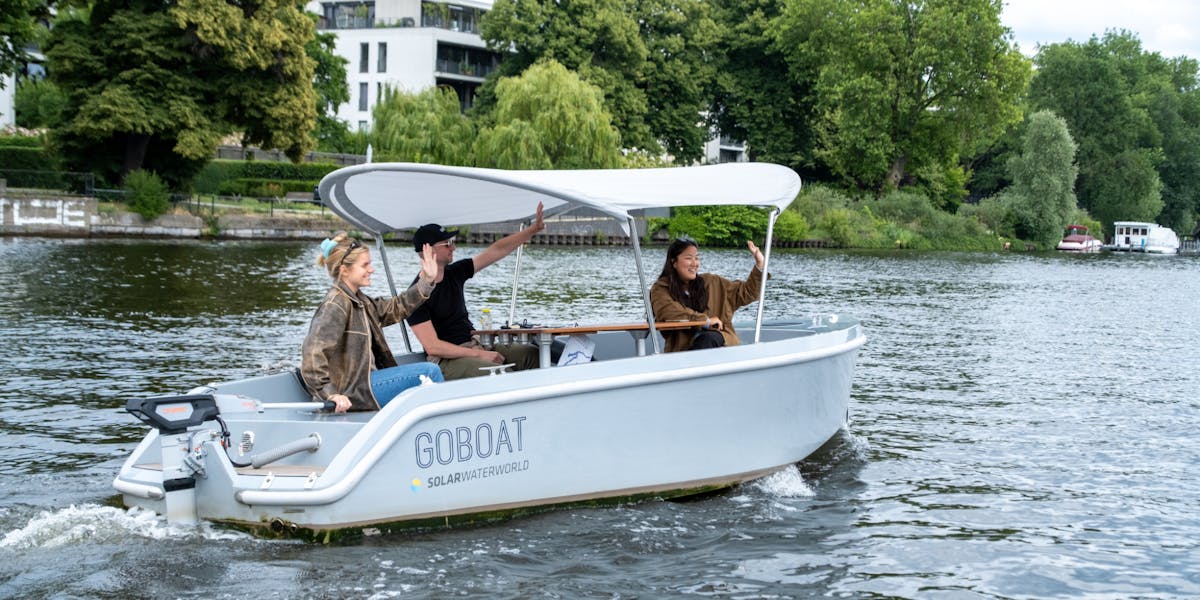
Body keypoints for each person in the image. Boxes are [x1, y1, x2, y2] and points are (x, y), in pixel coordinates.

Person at [301, 232, 443, 413]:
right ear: (345, 270)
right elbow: (313, 354)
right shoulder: (335, 304)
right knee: (430, 372)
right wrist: (331, 395)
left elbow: (396, 307)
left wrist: (427, 281)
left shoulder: (360, 301)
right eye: (365, 265)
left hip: (365, 383)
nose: (371, 269)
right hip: (354, 391)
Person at [405, 203, 545, 379]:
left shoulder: (455, 273)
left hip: (475, 344)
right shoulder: (414, 295)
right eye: (447, 244)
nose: (453, 248)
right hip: (446, 362)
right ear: (427, 250)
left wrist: (533, 229)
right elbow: (433, 346)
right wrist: (480, 354)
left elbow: (496, 250)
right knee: (500, 373)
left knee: (534, 355)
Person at [650, 236, 766, 352]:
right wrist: (705, 321)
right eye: (689, 258)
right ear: (674, 262)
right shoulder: (661, 289)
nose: (694, 263)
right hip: (682, 351)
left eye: (697, 258)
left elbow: (747, 292)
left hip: (720, 344)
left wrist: (760, 264)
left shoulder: (712, 282)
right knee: (704, 340)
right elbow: (669, 312)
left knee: (709, 338)